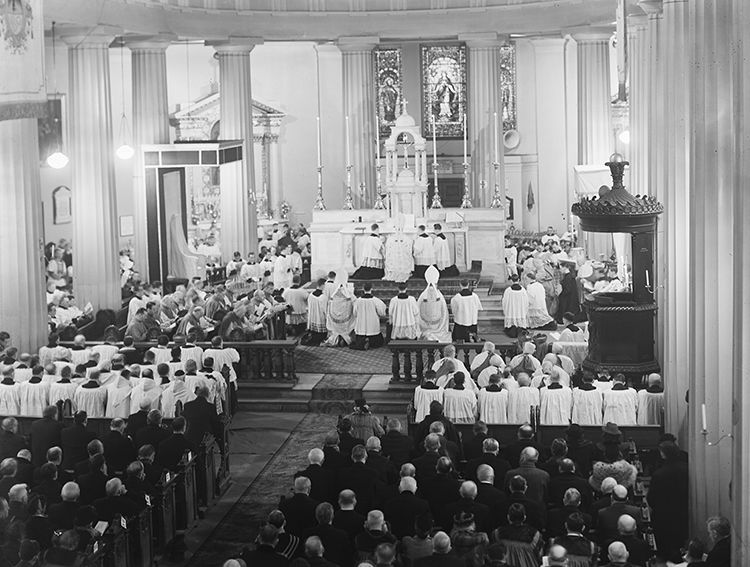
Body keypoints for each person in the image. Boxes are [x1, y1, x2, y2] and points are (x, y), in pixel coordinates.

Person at [647, 441, 689, 562]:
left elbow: (651, 498)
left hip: (663, 515)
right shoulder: (687, 468)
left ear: (663, 454)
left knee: (666, 546)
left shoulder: (659, 474)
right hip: (683, 511)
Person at [182, 385, 223, 451]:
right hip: (204, 437)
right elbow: (215, 424)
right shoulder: (210, 407)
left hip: (189, 435)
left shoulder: (187, 405)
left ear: (197, 394)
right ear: (208, 395)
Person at [417, 266, 452, 342]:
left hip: (426, 325)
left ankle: (428, 334)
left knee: (426, 332)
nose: (431, 294)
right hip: (437, 326)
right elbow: (444, 313)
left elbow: (417, 311)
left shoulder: (422, 296)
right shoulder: (440, 296)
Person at [351, 283, 387, 350]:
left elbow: (355, 313)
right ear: (371, 289)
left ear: (363, 289)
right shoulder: (376, 301)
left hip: (361, 328)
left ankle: (363, 342)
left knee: (358, 340)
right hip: (373, 329)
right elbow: (381, 313)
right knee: (377, 343)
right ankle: (371, 343)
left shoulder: (357, 301)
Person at [325, 272, 356, 346]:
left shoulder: (334, 295)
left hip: (335, 318)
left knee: (334, 326)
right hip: (345, 319)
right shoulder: (347, 293)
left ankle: (336, 338)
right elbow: (355, 301)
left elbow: (329, 304)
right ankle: (345, 338)